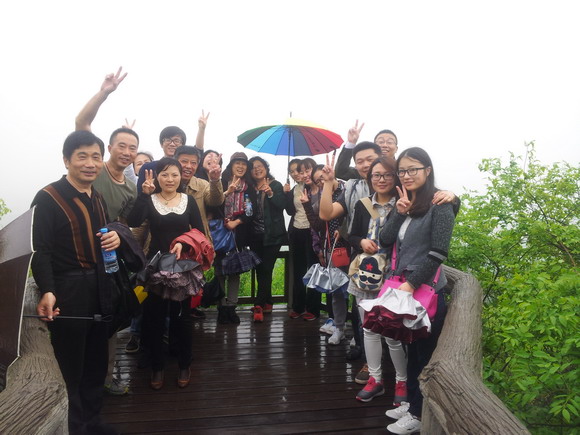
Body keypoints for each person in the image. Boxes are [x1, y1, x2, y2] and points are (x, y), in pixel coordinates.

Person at [32, 130, 122, 435]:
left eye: (96, 156)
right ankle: (75, 427)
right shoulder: (48, 197)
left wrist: (114, 237)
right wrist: (48, 290)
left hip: (100, 285)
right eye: (82, 156)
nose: (90, 163)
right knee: (71, 364)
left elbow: (102, 236)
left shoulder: (96, 197)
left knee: (96, 360)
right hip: (69, 289)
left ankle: (93, 422)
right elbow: (40, 249)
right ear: (66, 160)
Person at [378, 147, 456, 434]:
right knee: (411, 349)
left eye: (413, 169)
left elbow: (438, 252)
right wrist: (399, 213)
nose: (407, 175)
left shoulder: (441, 204)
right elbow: (385, 240)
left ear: (427, 170)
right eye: (402, 170)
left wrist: (411, 284)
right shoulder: (406, 202)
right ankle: (411, 402)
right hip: (406, 291)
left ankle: (419, 414)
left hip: (425, 294)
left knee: (424, 354)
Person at [75, 67, 139, 397]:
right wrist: (105, 93)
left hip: (108, 262)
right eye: (122, 145)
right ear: (110, 147)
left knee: (109, 319)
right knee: (80, 318)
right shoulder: (94, 168)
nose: (127, 152)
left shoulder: (130, 187)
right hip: (78, 256)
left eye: (132, 148)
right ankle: (78, 377)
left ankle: (106, 375)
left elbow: (123, 225)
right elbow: (81, 124)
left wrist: (120, 236)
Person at [126, 158, 204, 390]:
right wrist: (143, 194)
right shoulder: (150, 199)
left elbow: (198, 231)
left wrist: (183, 242)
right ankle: (157, 366)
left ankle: (184, 364)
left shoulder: (188, 200)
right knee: (154, 318)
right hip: (157, 265)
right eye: (165, 175)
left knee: (182, 318)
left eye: (174, 175)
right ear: (157, 177)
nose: (170, 179)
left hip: (182, 265)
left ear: (181, 177)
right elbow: (133, 220)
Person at [345, 157, 409, 406]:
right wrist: (361, 242)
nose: (381, 180)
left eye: (387, 175)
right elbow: (352, 235)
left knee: (392, 332)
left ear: (395, 177)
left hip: (392, 276)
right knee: (369, 330)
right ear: (370, 178)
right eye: (376, 175)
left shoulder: (403, 204)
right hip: (365, 276)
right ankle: (375, 379)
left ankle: (402, 381)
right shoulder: (363, 204)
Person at [208, 152, 255, 324]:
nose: (241, 166)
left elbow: (250, 211)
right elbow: (212, 204)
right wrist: (228, 192)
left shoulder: (249, 188)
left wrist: (236, 222)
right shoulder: (221, 183)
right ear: (231, 165)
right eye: (237, 163)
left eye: (244, 164)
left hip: (238, 235)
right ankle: (221, 307)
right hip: (220, 234)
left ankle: (231, 307)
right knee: (220, 271)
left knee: (235, 271)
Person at [304, 164, 349, 337]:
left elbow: (355, 215)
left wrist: (344, 230)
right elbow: (318, 225)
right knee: (337, 291)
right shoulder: (324, 196)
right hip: (333, 248)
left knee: (357, 291)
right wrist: (307, 205)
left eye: (322, 178)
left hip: (352, 247)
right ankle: (339, 327)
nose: (321, 182)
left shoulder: (348, 189)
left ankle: (358, 333)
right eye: (318, 181)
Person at [248, 156, 288, 322]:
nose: (257, 169)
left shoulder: (275, 184)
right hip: (255, 236)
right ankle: (268, 302)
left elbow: (282, 205)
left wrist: (271, 193)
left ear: (266, 167)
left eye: (260, 165)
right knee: (259, 269)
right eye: (253, 167)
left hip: (273, 236)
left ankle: (258, 305)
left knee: (266, 268)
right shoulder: (250, 188)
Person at [284, 158, 321, 321]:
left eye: (299, 170)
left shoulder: (314, 188)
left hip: (311, 232)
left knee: (312, 269)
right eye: (293, 171)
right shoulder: (295, 189)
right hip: (296, 231)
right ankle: (298, 306)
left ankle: (313, 308)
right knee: (297, 270)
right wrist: (286, 194)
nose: (296, 174)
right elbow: (290, 211)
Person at [174, 146, 224, 240]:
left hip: (197, 242)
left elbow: (216, 201)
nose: (189, 166)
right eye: (184, 161)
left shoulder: (202, 185)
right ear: (175, 162)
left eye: (193, 163)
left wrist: (215, 180)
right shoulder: (163, 183)